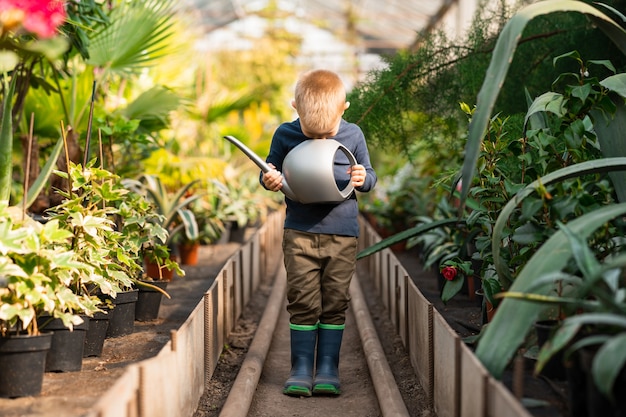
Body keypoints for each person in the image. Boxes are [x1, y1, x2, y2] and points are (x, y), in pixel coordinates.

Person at [260, 69, 377, 397]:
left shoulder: (353, 135)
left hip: (342, 234)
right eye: (312, 134)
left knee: (335, 299)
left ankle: (327, 366)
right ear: (295, 107)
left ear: (344, 108)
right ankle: (300, 367)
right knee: (302, 298)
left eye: (328, 133)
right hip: (299, 232)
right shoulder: (285, 135)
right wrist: (269, 179)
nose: (321, 140)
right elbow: (269, 170)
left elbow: (369, 176)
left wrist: (361, 178)